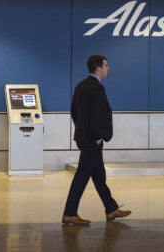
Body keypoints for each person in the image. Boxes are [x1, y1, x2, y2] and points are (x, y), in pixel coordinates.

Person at [62, 55, 132, 225]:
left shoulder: (80, 86)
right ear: (98, 68)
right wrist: (99, 136)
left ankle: (111, 208)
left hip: (85, 137)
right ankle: (70, 213)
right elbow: (99, 115)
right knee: (82, 176)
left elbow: (74, 112)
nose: (108, 68)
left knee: (99, 175)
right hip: (93, 140)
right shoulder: (97, 88)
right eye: (106, 65)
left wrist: (82, 130)